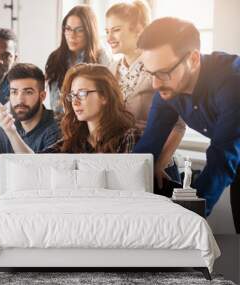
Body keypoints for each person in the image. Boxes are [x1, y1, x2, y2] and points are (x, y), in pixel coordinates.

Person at [133, 17, 240, 232]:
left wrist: (186, 219)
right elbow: (147, 148)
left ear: (193, 59)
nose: (155, 83)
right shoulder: (166, 89)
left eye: (163, 72)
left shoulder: (233, 83)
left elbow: (222, 156)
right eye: (150, 73)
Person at [104, 0, 186, 194]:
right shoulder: (110, 70)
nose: (109, 37)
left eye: (115, 30)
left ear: (139, 30)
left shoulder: (159, 67)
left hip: (158, 165)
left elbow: (178, 126)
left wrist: (157, 165)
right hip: (122, 163)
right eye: (106, 31)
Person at [0, 63, 140, 154]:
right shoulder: (73, 142)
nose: (75, 102)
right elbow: (35, 165)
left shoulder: (129, 137)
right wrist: (11, 132)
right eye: (72, 95)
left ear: (105, 96)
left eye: (83, 94)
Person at [0, 63, 60, 190]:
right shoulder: (6, 126)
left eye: (28, 92)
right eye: (14, 92)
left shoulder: (57, 127)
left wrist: (12, 133)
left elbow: (38, 177)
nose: (20, 100)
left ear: (42, 96)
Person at [45, 5, 113, 114]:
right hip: (59, 121)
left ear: (89, 32)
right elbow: (54, 103)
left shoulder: (101, 57)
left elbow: (107, 99)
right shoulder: (54, 58)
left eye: (79, 30)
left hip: (90, 121)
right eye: (68, 29)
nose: (72, 35)